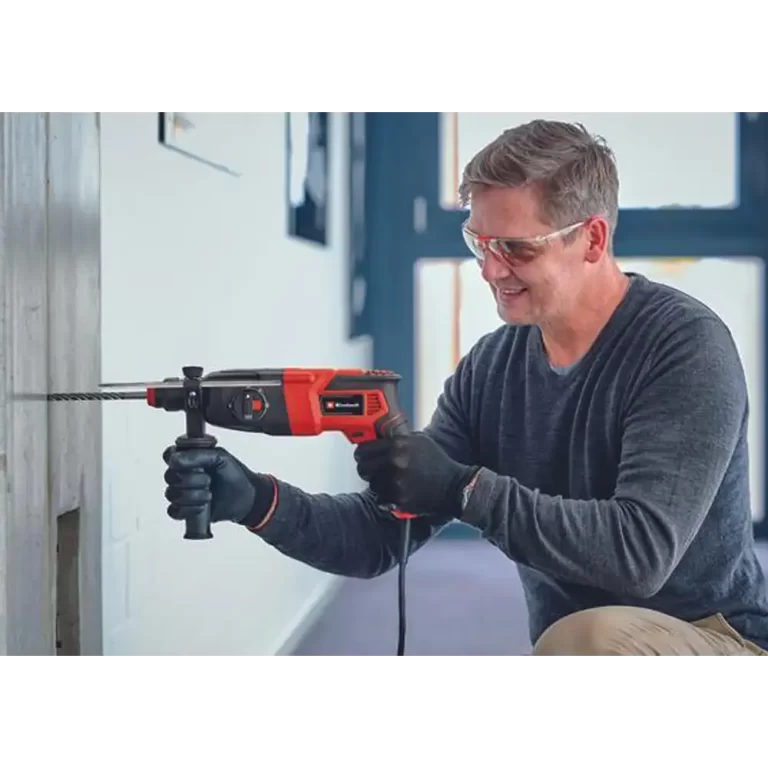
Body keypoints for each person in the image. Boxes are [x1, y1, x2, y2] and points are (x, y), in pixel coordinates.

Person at [163, 119, 768, 656]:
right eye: (479, 242)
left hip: (714, 636)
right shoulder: (492, 367)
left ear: (591, 239)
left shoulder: (683, 347)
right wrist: (257, 501)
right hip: (578, 643)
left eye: (516, 248)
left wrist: (463, 488)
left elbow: (639, 556)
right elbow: (379, 536)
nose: (490, 269)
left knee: (586, 639)